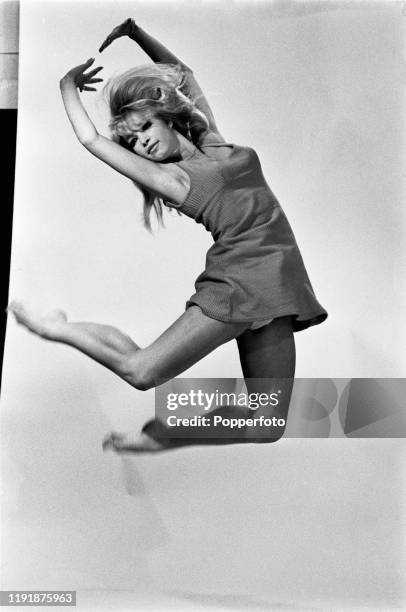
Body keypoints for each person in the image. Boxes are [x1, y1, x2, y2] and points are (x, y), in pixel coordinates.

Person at [9, 18, 327, 453]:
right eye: (134, 143)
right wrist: (66, 84)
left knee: (267, 422)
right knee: (142, 372)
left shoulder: (214, 143)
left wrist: (136, 34)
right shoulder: (173, 180)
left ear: (165, 117)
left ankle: (164, 436)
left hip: (279, 287)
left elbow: (185, 76)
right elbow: (90, 140)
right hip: (240, 284)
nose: (143, 144)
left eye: (145, 129)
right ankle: (55, 329)